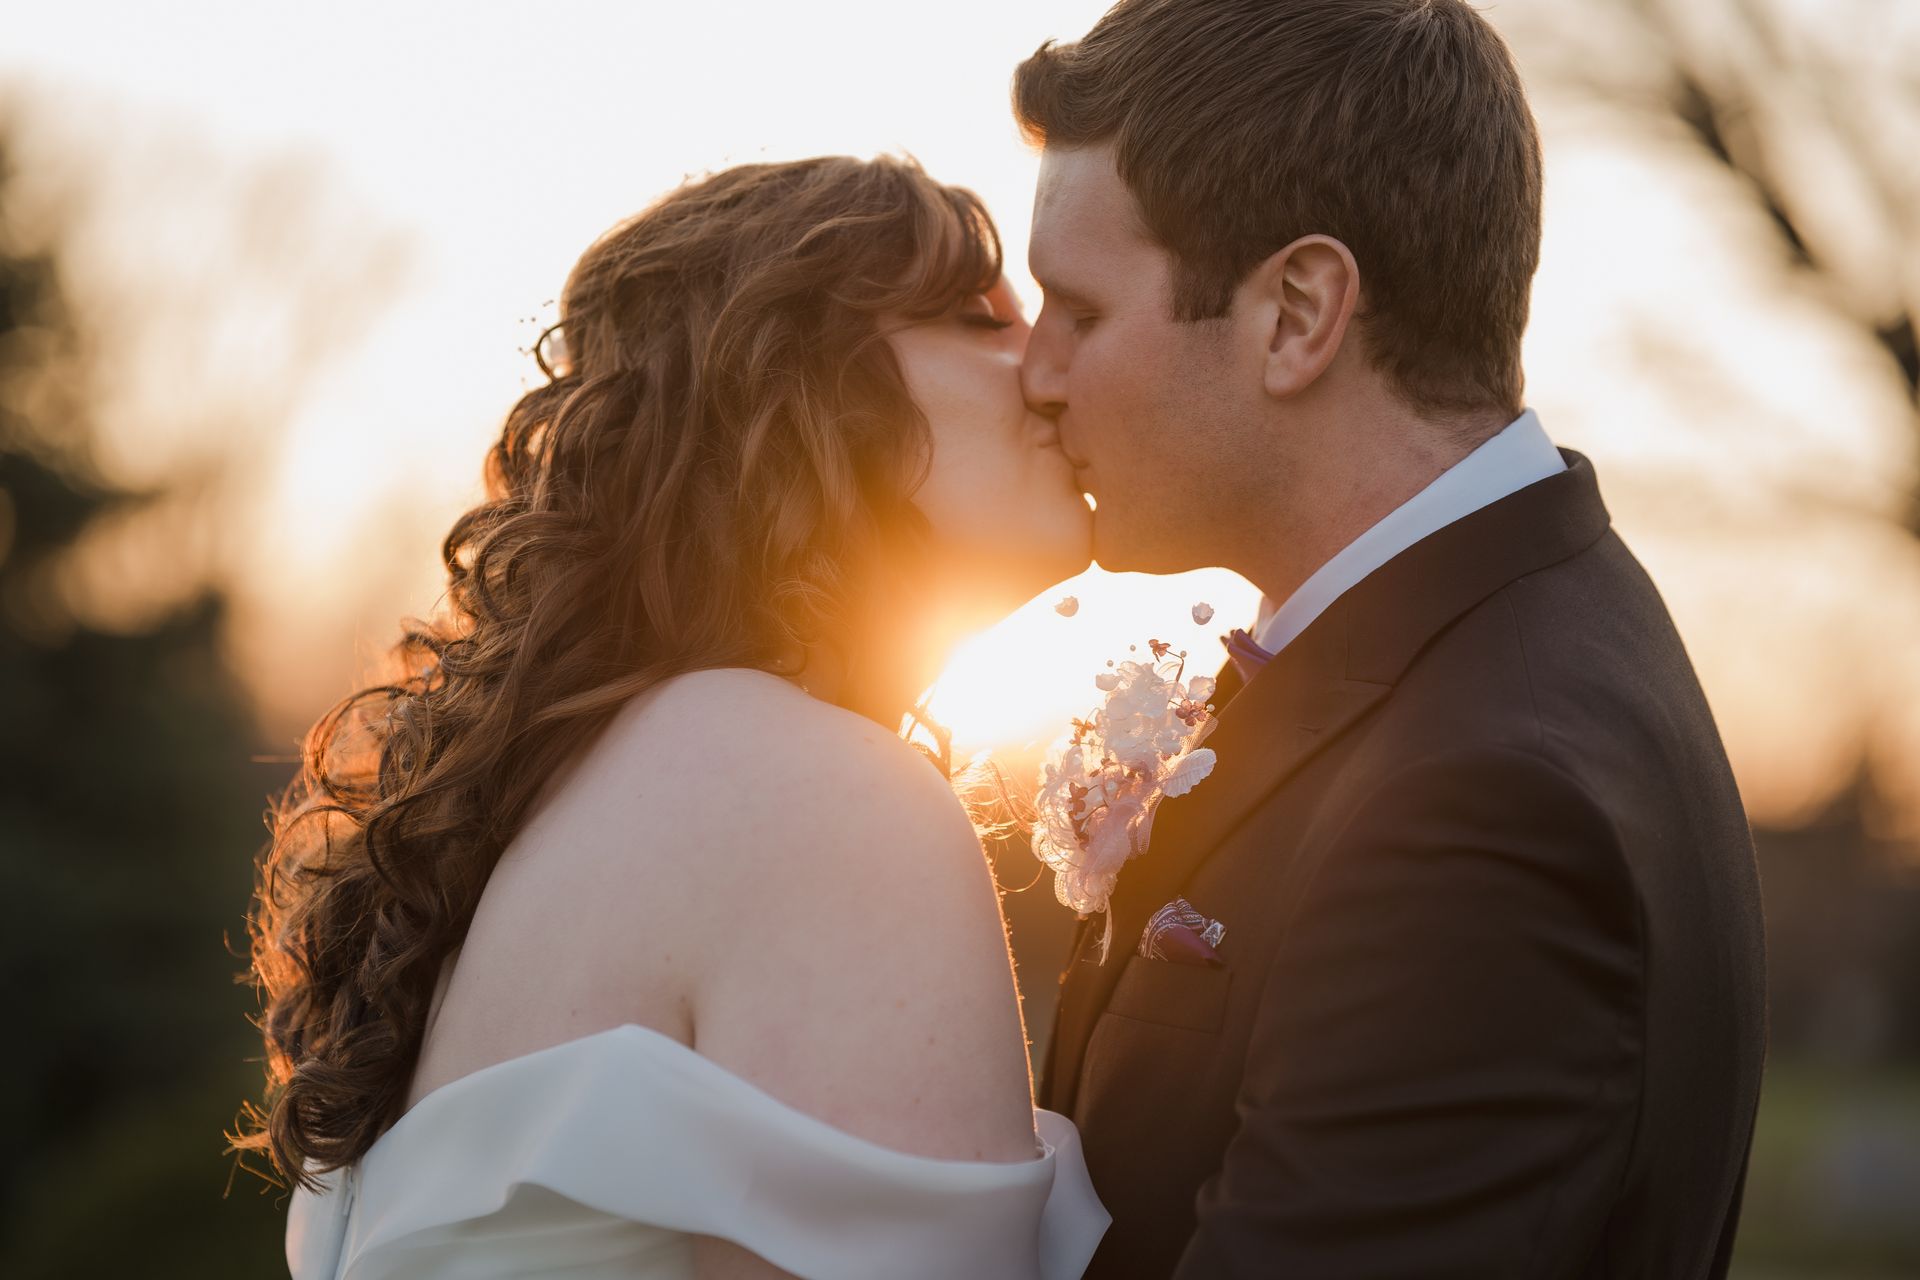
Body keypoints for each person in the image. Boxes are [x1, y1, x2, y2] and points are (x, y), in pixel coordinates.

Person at [236, 155, 1108, 1280]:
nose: (1050, 367)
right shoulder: (809, 792)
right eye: (977, 319)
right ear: (793, 381)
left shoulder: (565, 799)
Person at [1015, 1, 1767, 1276]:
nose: (1038, 375)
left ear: (1298, 312)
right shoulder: (1499, 645)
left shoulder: (1488, 803)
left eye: (1079, 311)